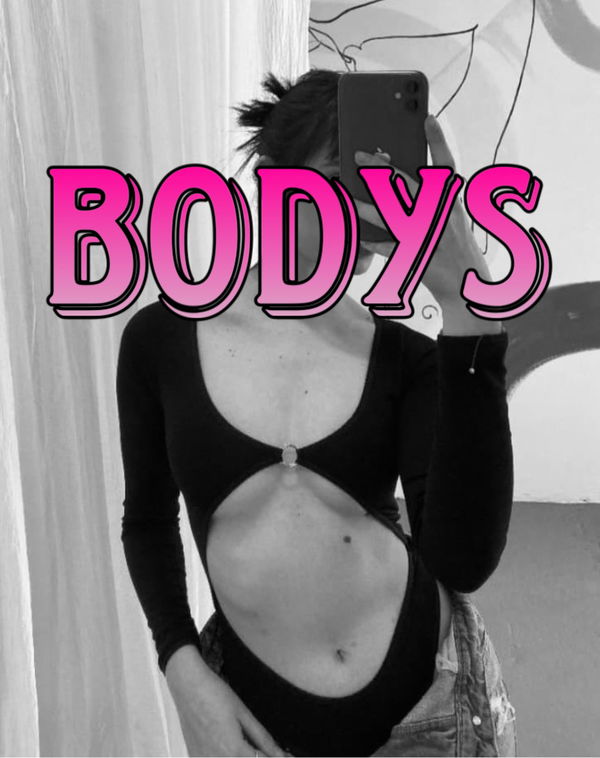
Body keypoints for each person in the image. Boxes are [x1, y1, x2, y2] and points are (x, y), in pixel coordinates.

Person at [116, 68, 517, 757]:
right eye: (341, 177)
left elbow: (463, 560)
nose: (365, 208)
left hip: (435, 713)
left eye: (382, 184)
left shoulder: (406, 358)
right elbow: (148, 522)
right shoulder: (160, 341)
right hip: (255, 727)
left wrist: (467, 306)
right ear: (272, 179)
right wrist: (181, 669)